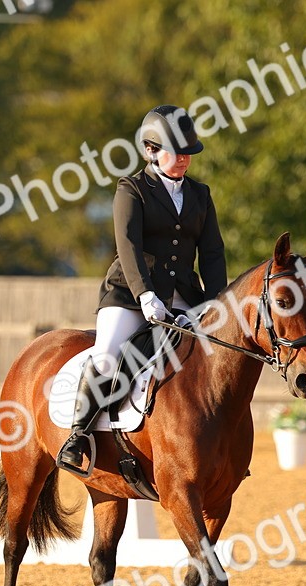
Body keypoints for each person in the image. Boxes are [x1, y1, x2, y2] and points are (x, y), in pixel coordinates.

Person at [56, 104, 228, 474]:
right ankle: (77, 437)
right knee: (106, 356)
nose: (184, 160)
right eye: (176, 152)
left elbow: (212, 252)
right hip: (131, 294)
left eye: (188, 154)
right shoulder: (131, 189)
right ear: (151, 150)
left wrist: (217, 301)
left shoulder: (200, 195)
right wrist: (145, 295)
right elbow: (128, 246)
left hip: (184, 294)